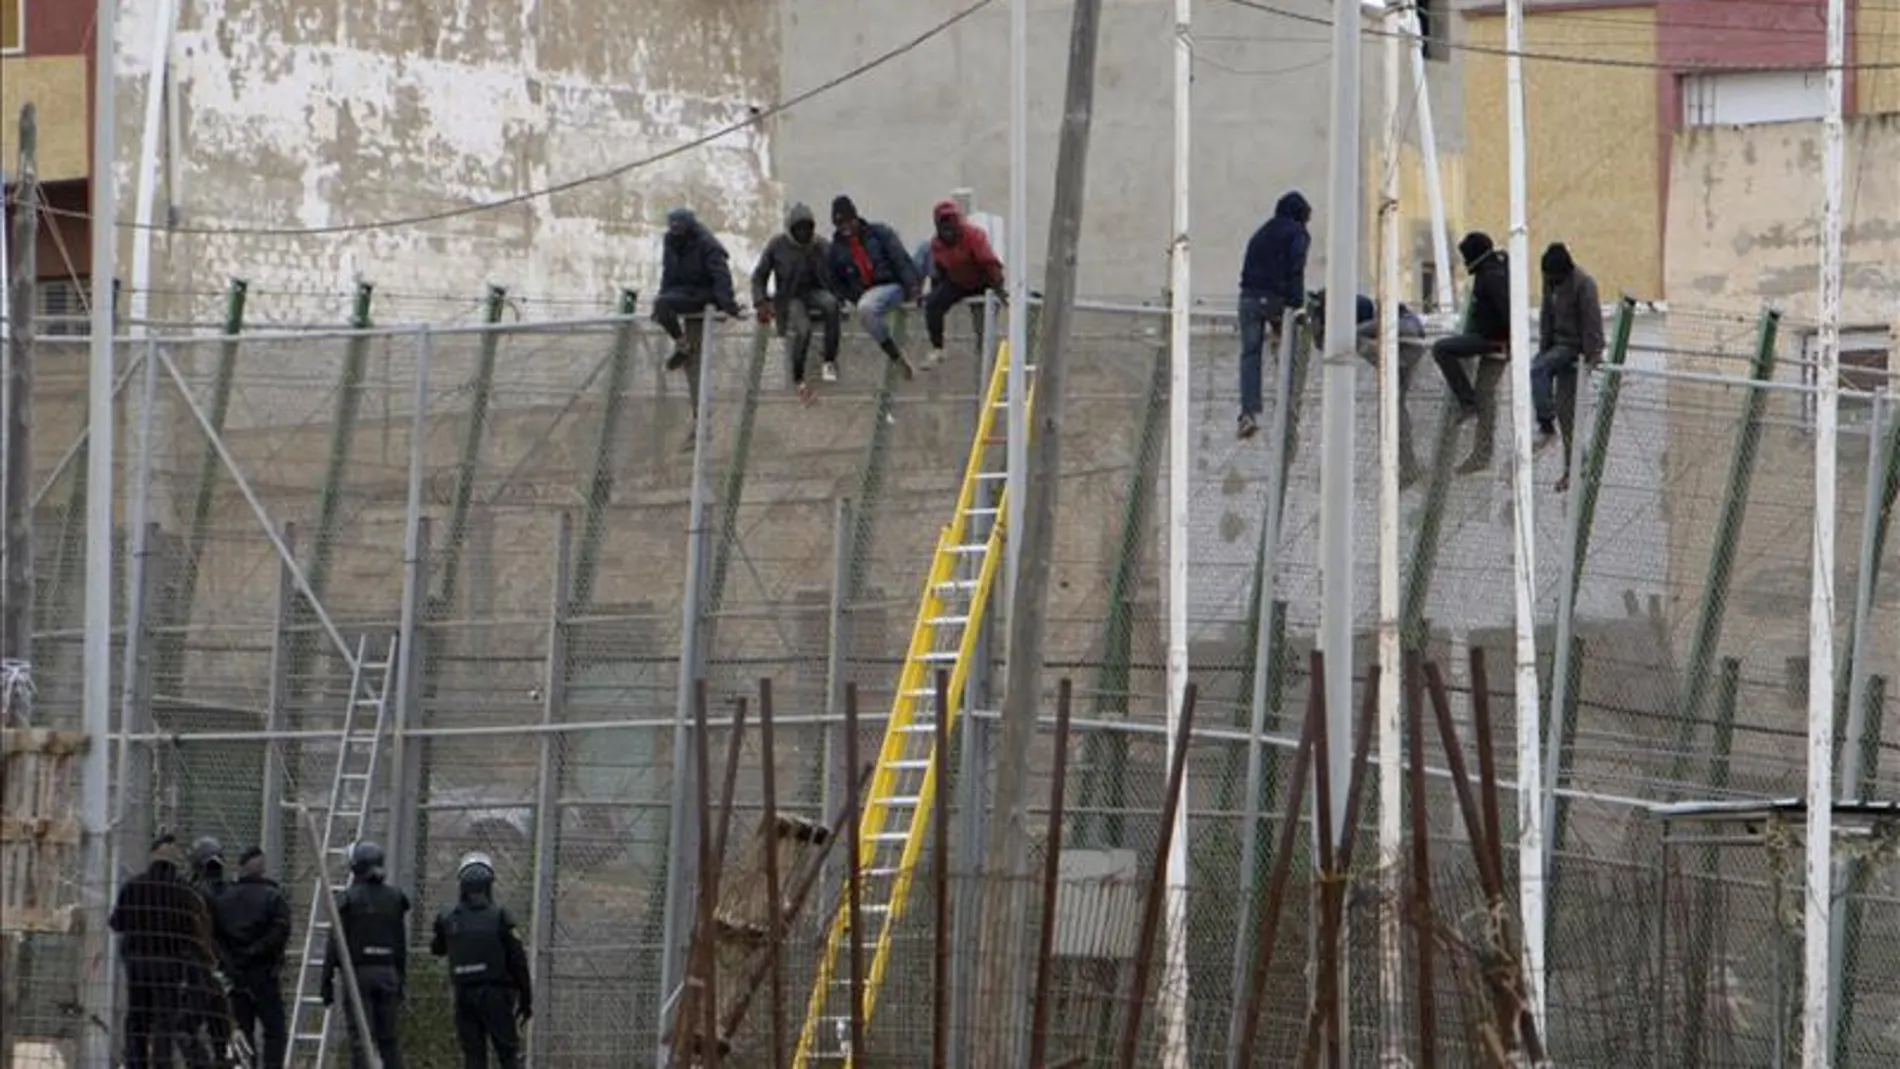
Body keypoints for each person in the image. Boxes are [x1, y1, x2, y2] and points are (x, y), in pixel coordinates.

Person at [111, 833, 222, 1069]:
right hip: (169, 967)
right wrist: (207, 962)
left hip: (137, 964)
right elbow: (196, 933)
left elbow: (117, 923)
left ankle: (136, 1063)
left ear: (153, 855)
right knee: (164, 1020)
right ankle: (162, 1064)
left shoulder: (133, 886)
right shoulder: (184, 893)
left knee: (137, 1017)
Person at [1312, 289, 1428, 487]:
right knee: (1394, 408)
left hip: (1402, 327)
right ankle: (1407, 465)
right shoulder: (1359, 306)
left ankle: (1407, 465)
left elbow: (1341, 336)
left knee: (1354, 337)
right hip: (1407, 331)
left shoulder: (1360, 311)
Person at [431, 852, 534, 1069]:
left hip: (464, 994)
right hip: (496, 994)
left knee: (474, 1055)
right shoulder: (500, 916)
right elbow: (518, 960)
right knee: (507, 1053)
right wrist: (526, 997)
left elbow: (437, 948)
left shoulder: (449, 917)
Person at [653, 207, 742, 445]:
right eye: (674, 230)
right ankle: (683, 345)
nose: (677, 234)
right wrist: (662, 304)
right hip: (682, 291)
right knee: (662, 305)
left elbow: (721, 275)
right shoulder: (670, 242)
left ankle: (702, 423)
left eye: (681, 230)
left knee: (697, 368)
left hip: (704, 295)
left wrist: (728, 305)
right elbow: (668, 273)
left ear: (690, 228)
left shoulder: (707, 243)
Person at [1431, 231, 1515, 473]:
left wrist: (1507, 342)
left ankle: (1466, 404)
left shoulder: (1491, 276)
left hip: (1493, 340)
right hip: (1493, 338)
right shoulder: (1494, 269)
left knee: (1441, 349)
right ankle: (1481, 453)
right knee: (1485, 397)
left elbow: (1507, 309)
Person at [322, 841, 411, 1069]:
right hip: (388, 972)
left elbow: (336, 942)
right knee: (389, 1039)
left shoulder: (349, 899)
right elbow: (400, 943)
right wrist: (400, 979)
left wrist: (327, 980)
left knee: (361, 1039)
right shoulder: (395, 898)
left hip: (358, 975)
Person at [1236, 192, 1312, 440]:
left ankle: (1249, 412)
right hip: (1273, 299)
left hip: (1248, 298)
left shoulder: (1261, 232)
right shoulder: (1297, 233)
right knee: (1291, 346)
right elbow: (1296, 268)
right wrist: (1297, 306)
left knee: (1250, 354)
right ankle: (1289, 403)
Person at [752, 202, 842, 402]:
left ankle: (829, 360)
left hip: (813, 292)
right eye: (799, 228)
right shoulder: (777, 245)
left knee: (831, 305)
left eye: (807, 228)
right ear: (791, 228)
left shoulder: (820, 245)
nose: (803, 233)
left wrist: (845, 293)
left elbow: (838, 270)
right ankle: (798, 377)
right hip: (789, 296)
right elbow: (759, 276)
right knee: (803, 329)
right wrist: (761, 302)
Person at [1532, 242, 1605, 492]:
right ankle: (1575, 468)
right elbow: (1546, 316)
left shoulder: (1584, 284)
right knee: (1568, 415)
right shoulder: (1550, 282)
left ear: (1564, 270)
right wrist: (1543, 348)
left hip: (1574, 349)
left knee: (1537, 370)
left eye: (1553, 277)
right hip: (1555, 347)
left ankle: (1545, 423)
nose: (1550, 281)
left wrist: (1593, 356)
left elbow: (1593, 321)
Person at [827, 195, 921, 379]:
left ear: (855, 218)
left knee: (867, 308)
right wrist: (843, 299)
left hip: (892, 286)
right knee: (866, 309)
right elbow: (835, 282)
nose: (845, 228)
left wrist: (912, 286)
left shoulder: (879, 233)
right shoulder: (836, 250)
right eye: (840, 224)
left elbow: (899, 259)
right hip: (865, 294)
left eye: (848, 221)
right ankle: (896, 357)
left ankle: (897, 353)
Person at [215, 846, 291, 1069]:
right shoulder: (273, 897)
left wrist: (231, 961)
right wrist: (258, 950)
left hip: (235, 974)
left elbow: (215, 936)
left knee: (242, 1029)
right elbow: (280, 932)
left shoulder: (223, 899)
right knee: (275, 1030)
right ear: (262, 868)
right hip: (264, 972)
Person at [920, 199, 1006, 370]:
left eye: (951, 222)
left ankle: (986, 357)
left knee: (982, 322)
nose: (948, 228)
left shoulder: (974, 236)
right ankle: (938, 348)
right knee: (932, 305)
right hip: (957, 282)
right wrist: (933, 292)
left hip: (983, 281)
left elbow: (989, 263)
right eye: (943, 223)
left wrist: (998, 288)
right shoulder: (936, 244)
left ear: (958, 222)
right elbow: (939, 269)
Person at [186, 836, 237, 1064]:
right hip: (225, 969)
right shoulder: (231, 892)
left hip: (200, 969)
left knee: (185, 1027)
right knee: (221, 1032)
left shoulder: (194, 893)